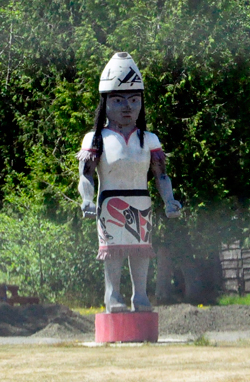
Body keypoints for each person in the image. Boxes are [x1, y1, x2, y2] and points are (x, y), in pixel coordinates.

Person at [77, 52, 182, 313]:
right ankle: (112, 295)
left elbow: (162, 175)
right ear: (106, 103)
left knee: (140, 249)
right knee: (112, 251)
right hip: (109, 201)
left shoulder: (149, 139)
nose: (127, 107)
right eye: (119, 100)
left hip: (140, 200)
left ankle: (140, 296)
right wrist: (87, 199)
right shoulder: (95, 139)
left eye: (134, 100)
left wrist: (169, 200)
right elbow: (86, 175)